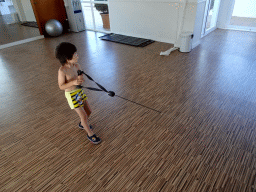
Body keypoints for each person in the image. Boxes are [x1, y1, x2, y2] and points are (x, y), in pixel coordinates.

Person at [56, 42, 101, 144]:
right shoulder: (62, 71)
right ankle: (90, 134)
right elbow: (61, 86)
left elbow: (80, 77)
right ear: (67, 58)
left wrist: (80, 79)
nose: (77, 55)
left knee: (88, 111)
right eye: (75, 54)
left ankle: (82, 124)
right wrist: (73, 82)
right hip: (72, 95)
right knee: (84, 116)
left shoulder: (77, 65)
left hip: (79, 91)